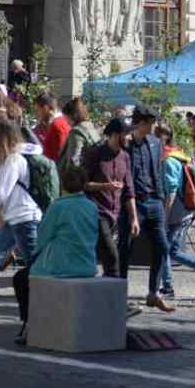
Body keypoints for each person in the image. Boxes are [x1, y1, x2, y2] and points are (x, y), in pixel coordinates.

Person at [11, 166, 99, 347]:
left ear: (63, 184)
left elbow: (42, 237)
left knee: (21, 278)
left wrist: (33, 256)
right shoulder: (92, 206)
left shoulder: (58, 206)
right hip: (87, 264)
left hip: (63, 265)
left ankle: (28, 325)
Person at [118, 107, 175, 313]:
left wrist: (162, 198)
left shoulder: (155, 143)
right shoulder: (127, 143)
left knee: (162, 246)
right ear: (140, 123)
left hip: (154, 201)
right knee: (125, 248)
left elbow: (158, 171)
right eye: (150, 123)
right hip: (134, 201)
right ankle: (119, 295)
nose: (153, 127)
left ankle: (154, 293)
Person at [155, 125, 195, 298]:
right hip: (185, 209)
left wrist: (164, 216)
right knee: (173, 251)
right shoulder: (179, 154)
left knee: (164, 250)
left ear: (162, 139)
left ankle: (167, 287)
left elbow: (172, 191)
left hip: (175, 212)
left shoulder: (168, 160)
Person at [0, 119, 44, 287]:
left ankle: (43, 302)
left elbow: (2, 192)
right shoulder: (11, 159)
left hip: (24, 219)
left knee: (35, 266)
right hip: (15, 219)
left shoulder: (14, 160)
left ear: (3, 138)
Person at [81, 117, 134, 280]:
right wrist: (105, 186)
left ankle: (104, 296)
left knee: (104, 259)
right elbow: (83, 185)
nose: (128, 138)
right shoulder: (95, 153)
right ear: (114, 135)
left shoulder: (125, 157)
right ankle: (114, 299)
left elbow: (129, 190)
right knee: (112, 258)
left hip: (116, 215)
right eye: (125, 134)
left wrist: (134, 218)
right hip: (97, 212)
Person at [57, 97, 99, 178]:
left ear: (72, 116)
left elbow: (73, 160)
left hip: (77, 181)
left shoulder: (76, 132)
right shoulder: (90, 127)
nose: (66, 121)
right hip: (92, 174)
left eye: (66, 118)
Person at [34, 94, 72, 161]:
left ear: (46, 108)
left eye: (37, 110)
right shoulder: (62, 122)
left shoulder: (58, 125)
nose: (37, 114)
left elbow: (60, 156)